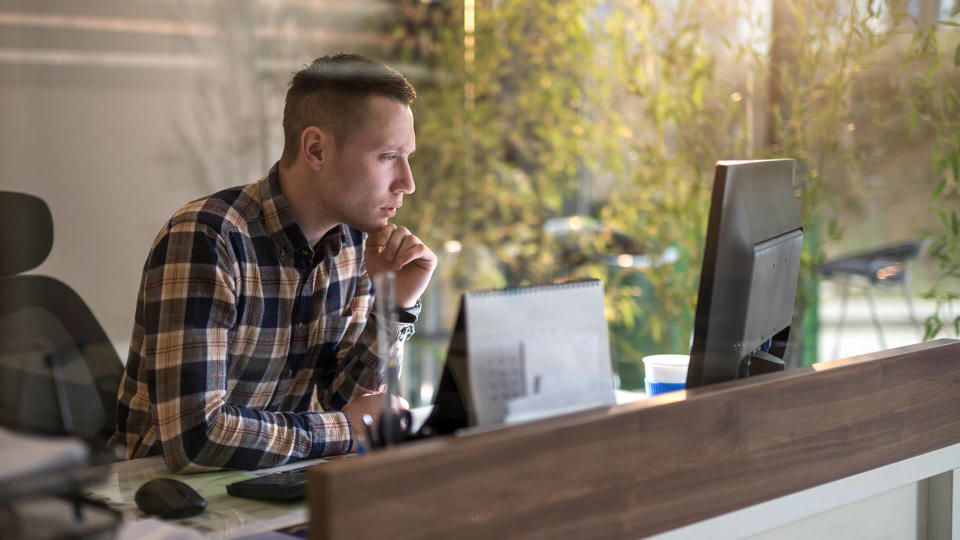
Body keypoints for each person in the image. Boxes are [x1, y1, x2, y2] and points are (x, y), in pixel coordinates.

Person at [111, 53, 436, 473]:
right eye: (388, 157)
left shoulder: (356, 244)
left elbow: (352, 402)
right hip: (164, 503)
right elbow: (194, 439)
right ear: (316, 149)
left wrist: (394, 306)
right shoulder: (208, 238)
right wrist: (342, 429)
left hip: (268, 484)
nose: (407, 183)